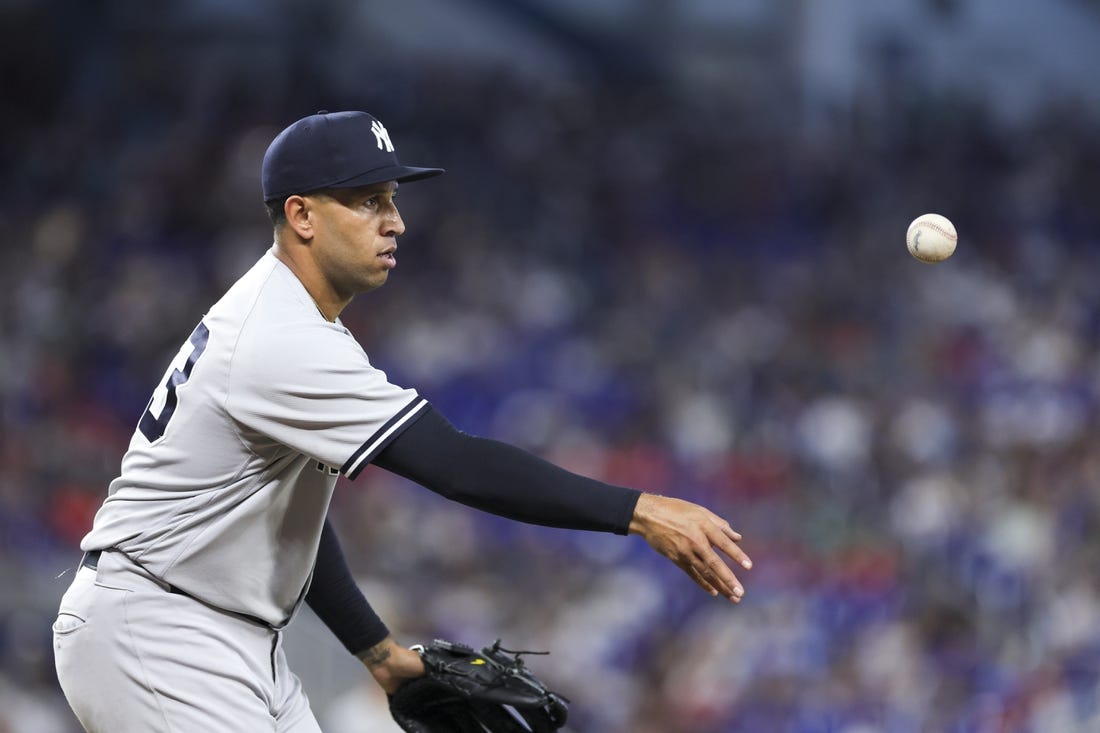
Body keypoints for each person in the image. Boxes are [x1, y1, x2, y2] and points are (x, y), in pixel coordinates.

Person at [51, 110, 752, 732]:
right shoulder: (281, 337)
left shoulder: (296, 323)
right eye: (368, 201)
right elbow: (455, 462)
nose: (396, 221)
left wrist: (377, 651)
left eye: (391, 199)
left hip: (215, 630)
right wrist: (637, 510)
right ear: (302, 216)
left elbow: (283, 515)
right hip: (156, 628)